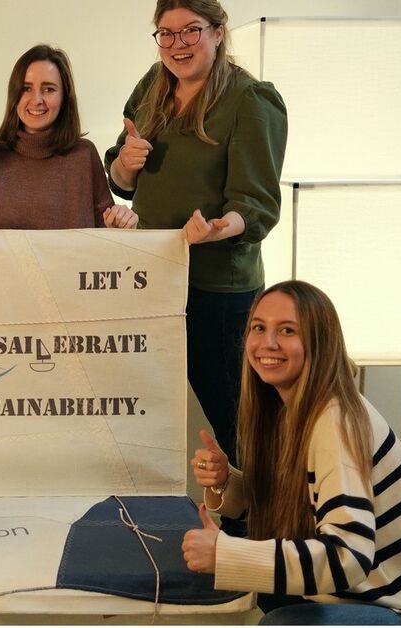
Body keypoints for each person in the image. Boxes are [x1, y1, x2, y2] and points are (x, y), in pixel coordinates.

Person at [182, 280, 401, 625]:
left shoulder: (336, 422)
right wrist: (225, 483)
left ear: (319, 341)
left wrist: (226, 555)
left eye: (287, 330)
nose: (267, 343)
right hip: (383, 596)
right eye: (258, 328)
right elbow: (289, 504)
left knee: (280, 620)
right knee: (270, 590)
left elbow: (349, 556)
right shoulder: (287, 410)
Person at [104, 0, 287, 479]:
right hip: (154, 280)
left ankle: (264, 514)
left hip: (217, 289)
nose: (177, 44)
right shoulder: (153, 84)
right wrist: (125, 164)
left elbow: (257, 205)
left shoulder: (250, 100)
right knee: (148, 409)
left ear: (218, 32)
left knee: (237, 420)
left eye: (191, 30)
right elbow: (122, 179)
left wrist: (217, 229)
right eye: (166, 33)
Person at [0, 44, 136, 231]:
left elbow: (106, 228)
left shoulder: (84, 154)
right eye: (26, 88)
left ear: (64, 97)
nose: (36, 100)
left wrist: (121, 222)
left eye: (48, 89)